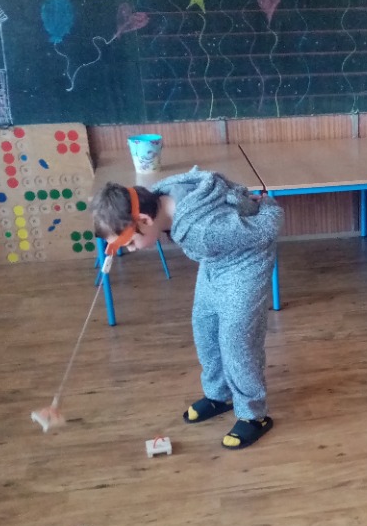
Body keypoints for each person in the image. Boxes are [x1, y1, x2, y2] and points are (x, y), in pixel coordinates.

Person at [92, 168, 283, 449]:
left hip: (246, 263)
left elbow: (268, 228)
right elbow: (213, 179)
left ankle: (253, 415)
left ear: (144, 220)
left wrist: (266, 205)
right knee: (205, 327)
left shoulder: (201, 231)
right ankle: (220, 395)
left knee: (237, 341)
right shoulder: (161, 193)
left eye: (130, 242)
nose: (130, 250)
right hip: (217, 259)